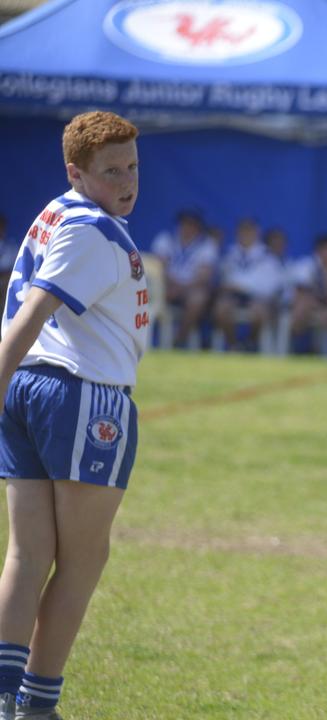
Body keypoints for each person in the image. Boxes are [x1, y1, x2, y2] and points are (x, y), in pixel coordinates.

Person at [0, 111, 148, 719]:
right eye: (111, 170)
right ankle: (37, 704)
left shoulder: (60, 211)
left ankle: (7, 698)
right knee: (84, 558)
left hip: (31, 388)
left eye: (133, 166)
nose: (127, 180)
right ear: (76, 172)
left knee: (27, 552)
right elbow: (33, 311)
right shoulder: (92, 229)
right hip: (82, 395)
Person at [150, 208, 217, 348]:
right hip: (168, 286)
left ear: (198, 227)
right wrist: (171, 285)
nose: (187, 227)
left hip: (190, 289)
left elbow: (204, 275)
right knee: (148, 295)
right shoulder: (165, 239)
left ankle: (180, 339)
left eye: (192, 224)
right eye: (185, 223)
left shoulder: (207, 245)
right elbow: (158, 268)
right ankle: (144, 338)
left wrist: (181, 288)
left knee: (198, 299)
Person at [212, 217, 273, 351]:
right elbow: (224, 278)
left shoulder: (267, 255)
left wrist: (243, 286)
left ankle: (251, 343)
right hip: (233, 295)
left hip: (257, 296)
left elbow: (268, 285)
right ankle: (233, 345)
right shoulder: (230, 254)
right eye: (242, 232)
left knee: (260, 311)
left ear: (256, 233)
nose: (245, 235)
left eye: (249, 232)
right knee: (221, 309)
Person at [288, 233, 327, 353]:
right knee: (305, 303)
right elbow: (300, 293)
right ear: (318, 251)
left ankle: (322, 350)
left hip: (324, 306)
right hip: (302, 303)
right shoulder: (306, 265)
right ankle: (292, 346)